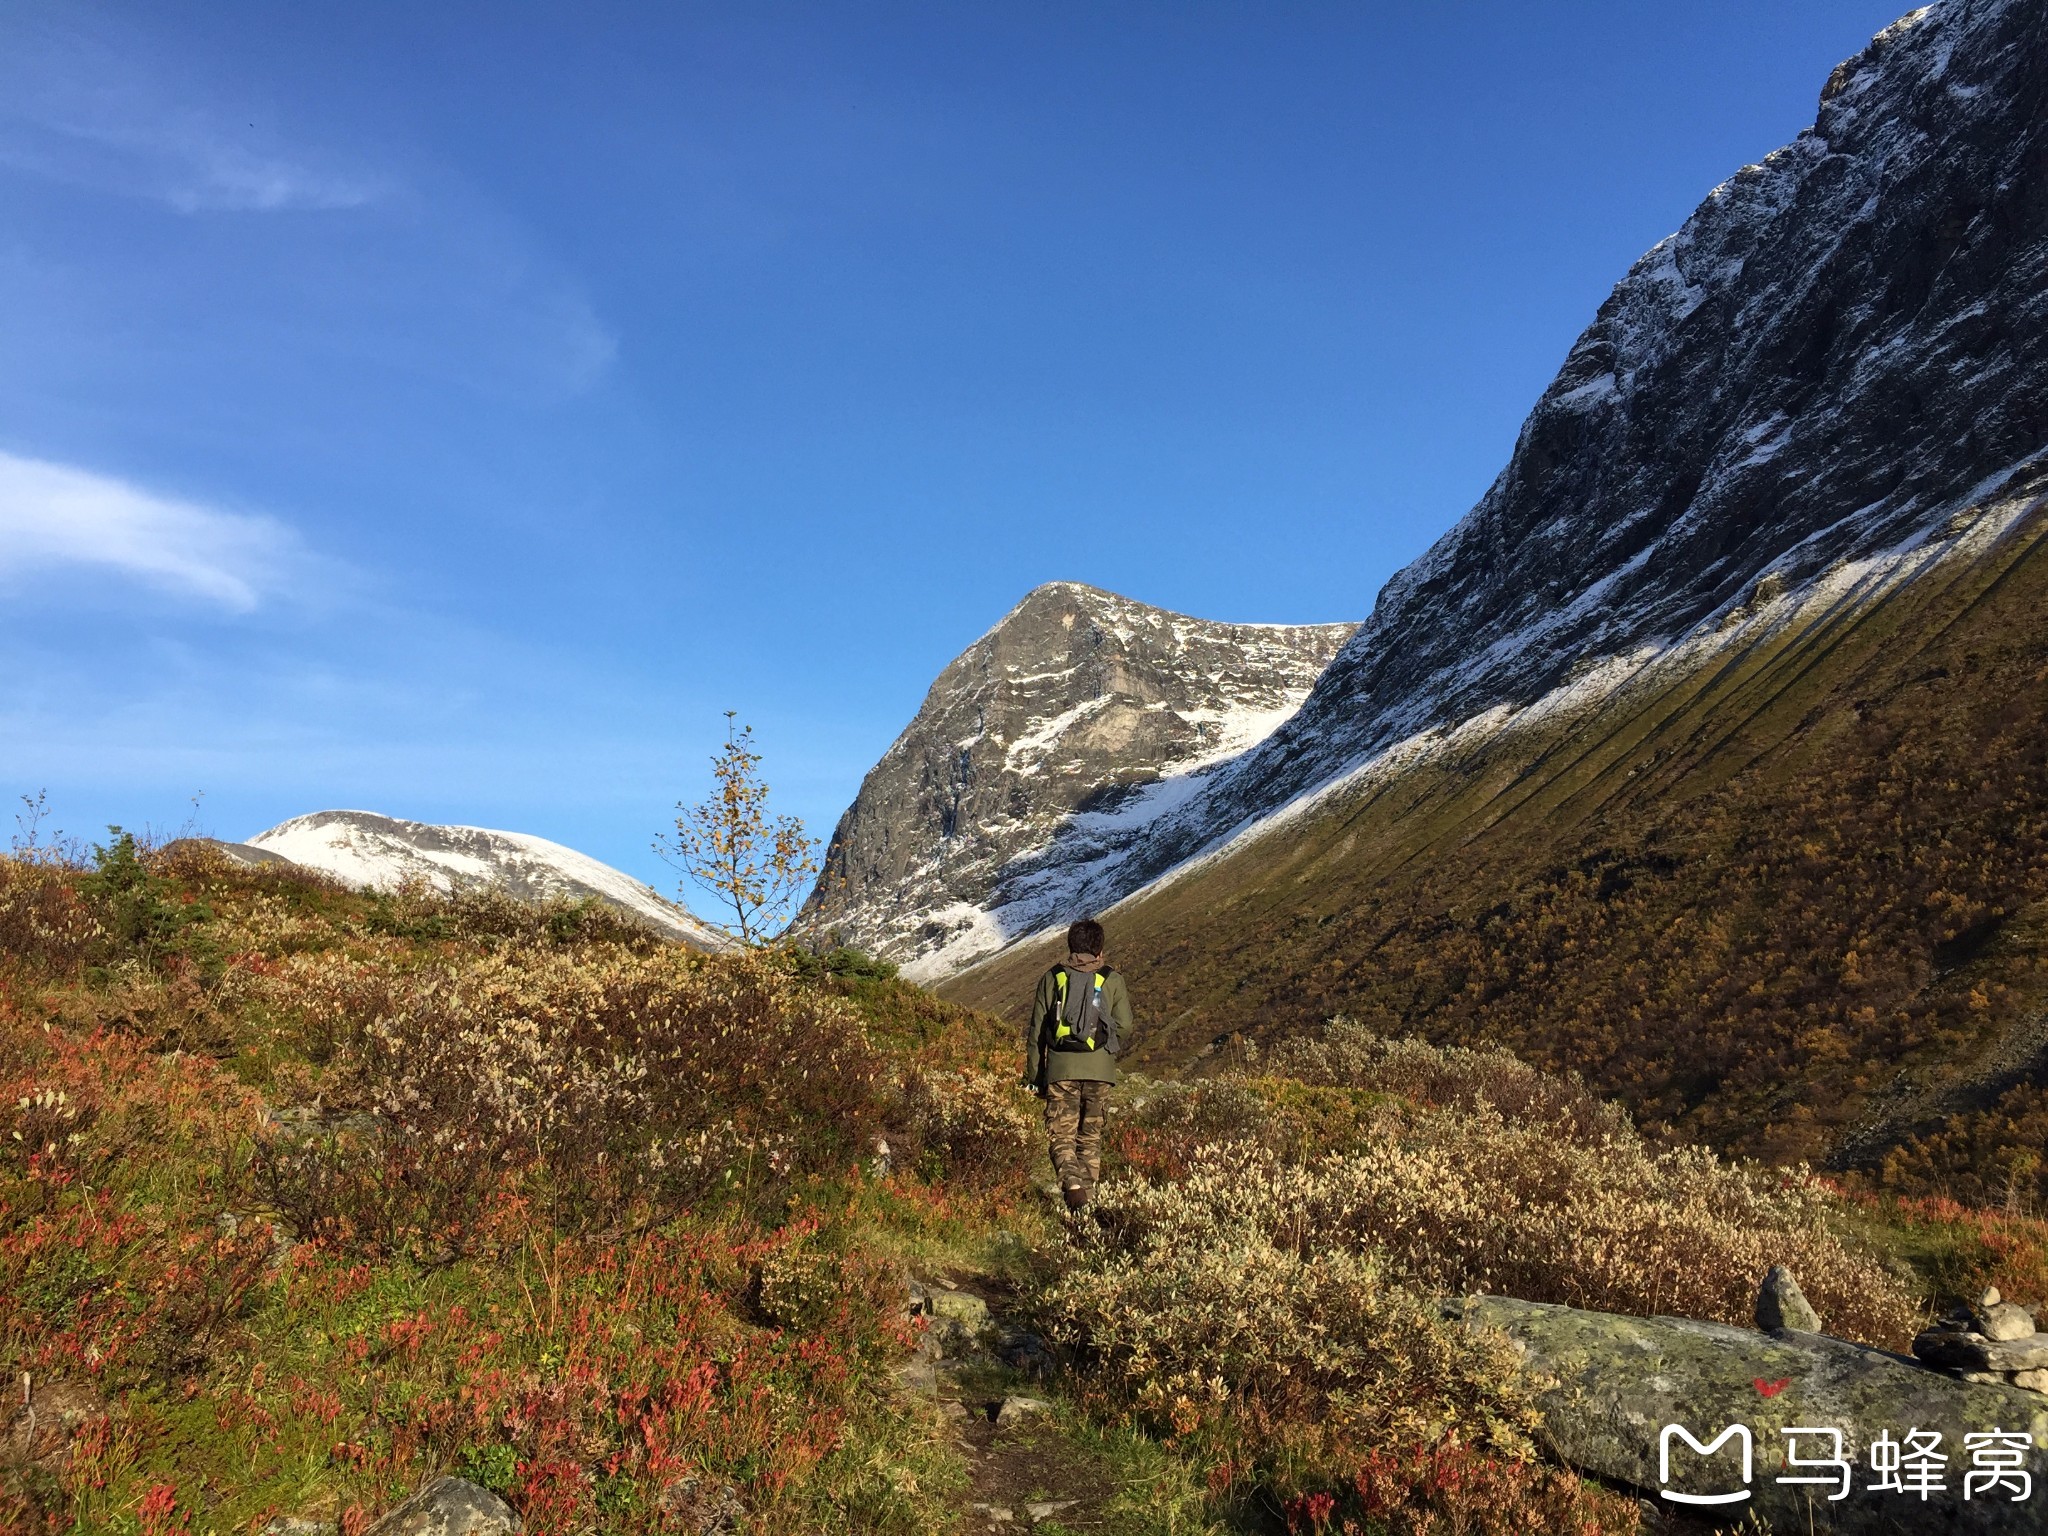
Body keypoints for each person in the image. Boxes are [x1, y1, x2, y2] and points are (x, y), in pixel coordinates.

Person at [1022, 918, 1133, 1210]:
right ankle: (1086, 1212)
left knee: (1061, 1136)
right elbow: (1125, 1025)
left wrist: (1035, 1077)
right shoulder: (1112, 978)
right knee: (1090, 1139)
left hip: (1061, 1071)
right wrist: (1104, 1049)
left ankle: (1073, 1188)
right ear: (1100, 949)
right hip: (1101, 1073)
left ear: (1070, 945)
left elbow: (1036, 1033)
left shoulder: (1052, 977)